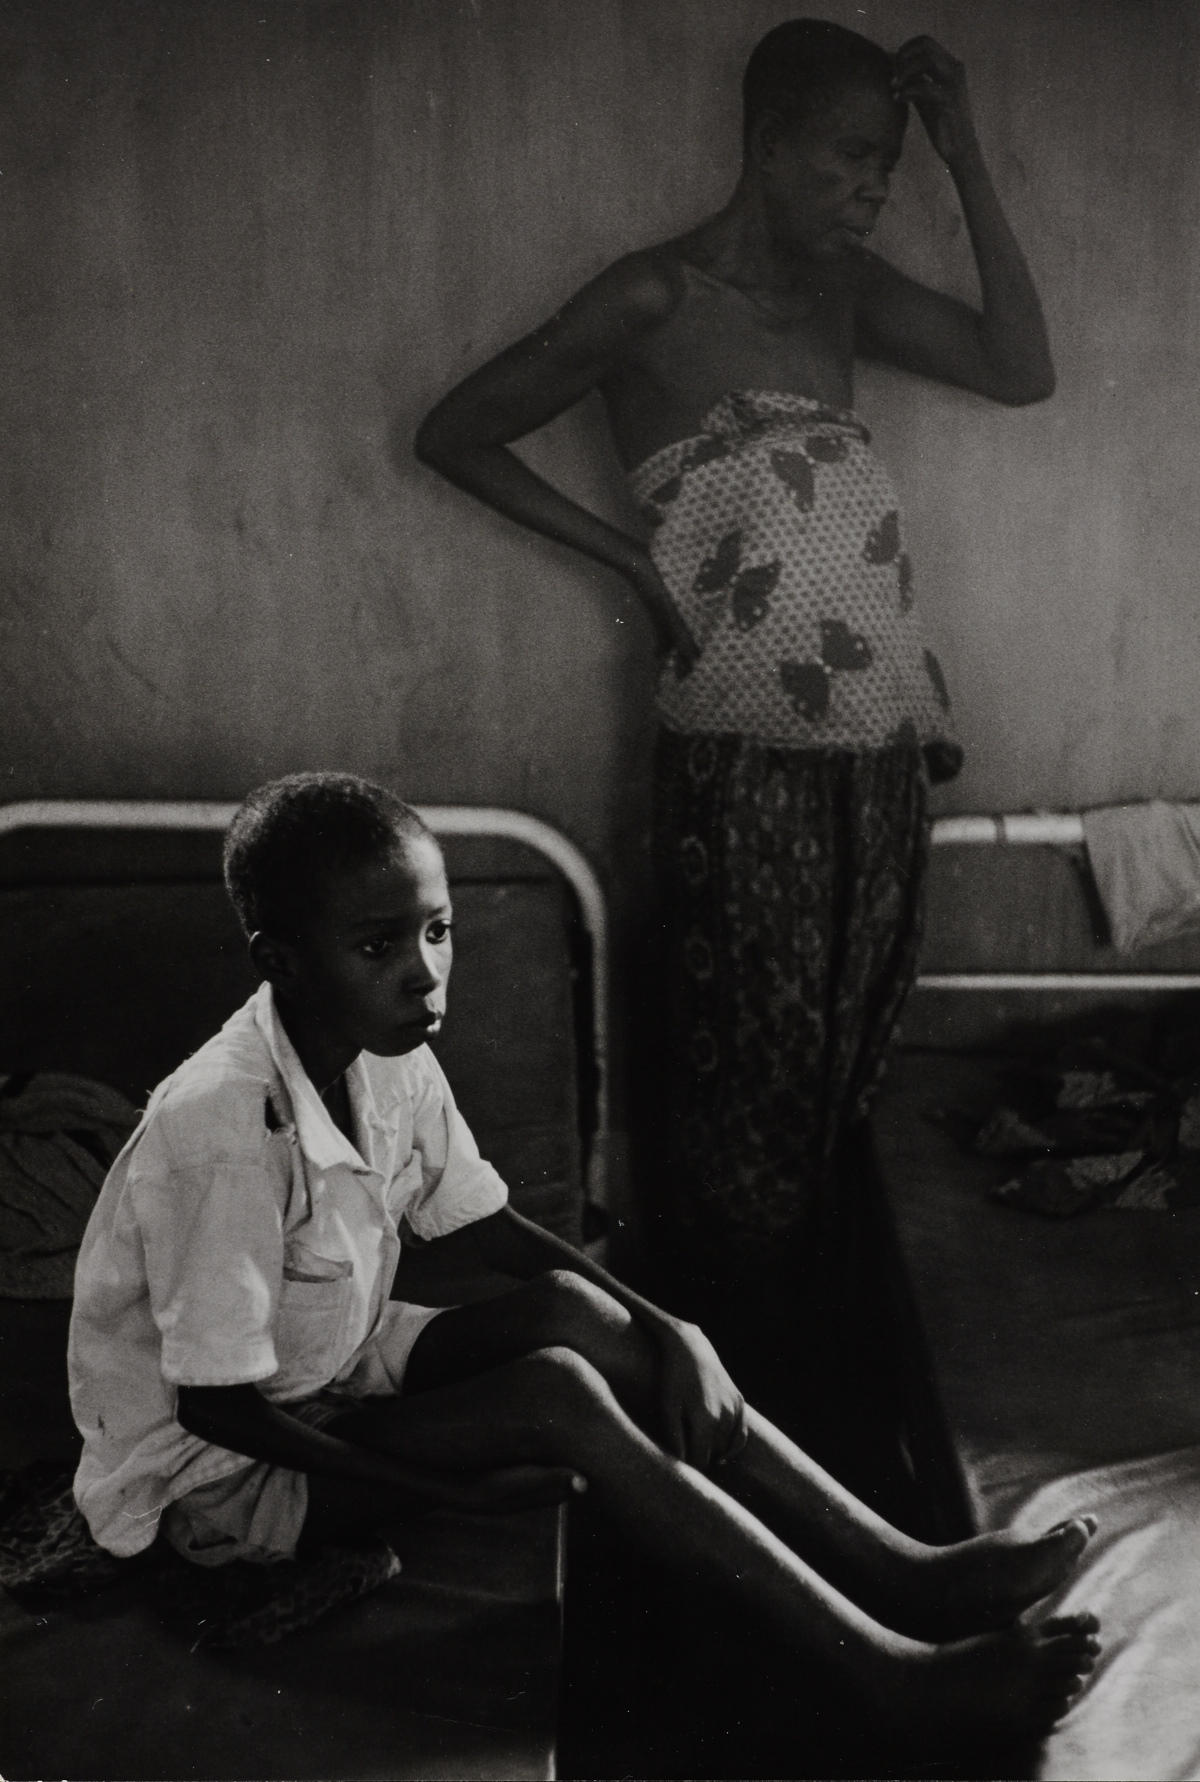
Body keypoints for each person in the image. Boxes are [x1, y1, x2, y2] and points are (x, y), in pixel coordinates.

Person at [67, 771, 1099, 1749]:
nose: (424, 972)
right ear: (281, 960)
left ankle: (911, 1572)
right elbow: (217, 1408)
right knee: (553, 1392)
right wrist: (442, 1487)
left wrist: (667, 1329)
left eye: (437, 931)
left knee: (570, 1308)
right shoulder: (221, 1131)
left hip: (328, 1361)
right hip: (219, 1479)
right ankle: (889, 1677)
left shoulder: (390, 1055)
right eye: (378, 945)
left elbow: (479, 1226)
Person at [413, 21, 1055, 1387]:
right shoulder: (654, 298)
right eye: (850, 159)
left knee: (841, 1073)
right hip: (741, 756)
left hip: (879, 749)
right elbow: (454, 430)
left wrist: (966, 153)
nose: (871, 190)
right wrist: (624, 557)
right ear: (767, 144)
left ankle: (820, 1393)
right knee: (740, 1083)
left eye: (887, 165)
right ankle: (732, 1401)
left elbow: (1020, 367)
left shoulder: (848, 294)